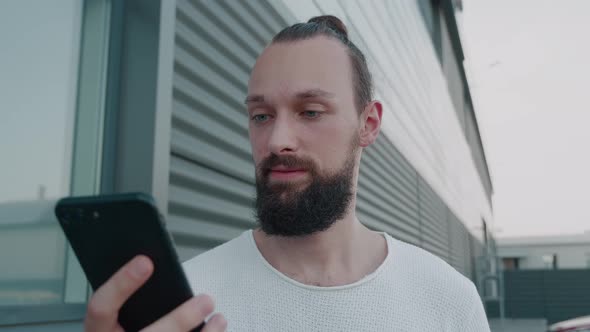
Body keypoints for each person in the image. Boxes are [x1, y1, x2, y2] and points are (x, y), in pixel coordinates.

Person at [83, 15, 490, 332]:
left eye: (310, 111)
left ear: (368, 124)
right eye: (261, 115)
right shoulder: (190, 301)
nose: (277, 140)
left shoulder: (448, 300)